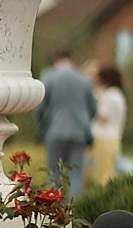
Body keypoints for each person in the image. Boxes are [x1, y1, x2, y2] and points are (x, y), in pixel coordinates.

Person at [36, 49, 95, 196]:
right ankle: (74, 212)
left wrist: (41, 127)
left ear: (56, 59)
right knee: (76, 176)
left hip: (55, 132)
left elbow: (40, 108)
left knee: (53, 174)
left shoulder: (48, 78)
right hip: (79, 133)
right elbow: (93, 109)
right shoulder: (84, 80)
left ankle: (52, 210)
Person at [91, 63, 126, 184]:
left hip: (104, 139)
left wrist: (90, 109)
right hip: (113, 139)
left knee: (103, 176)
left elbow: (103, 117)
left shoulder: (109, 95)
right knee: (110, 172)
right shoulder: (118, 94)